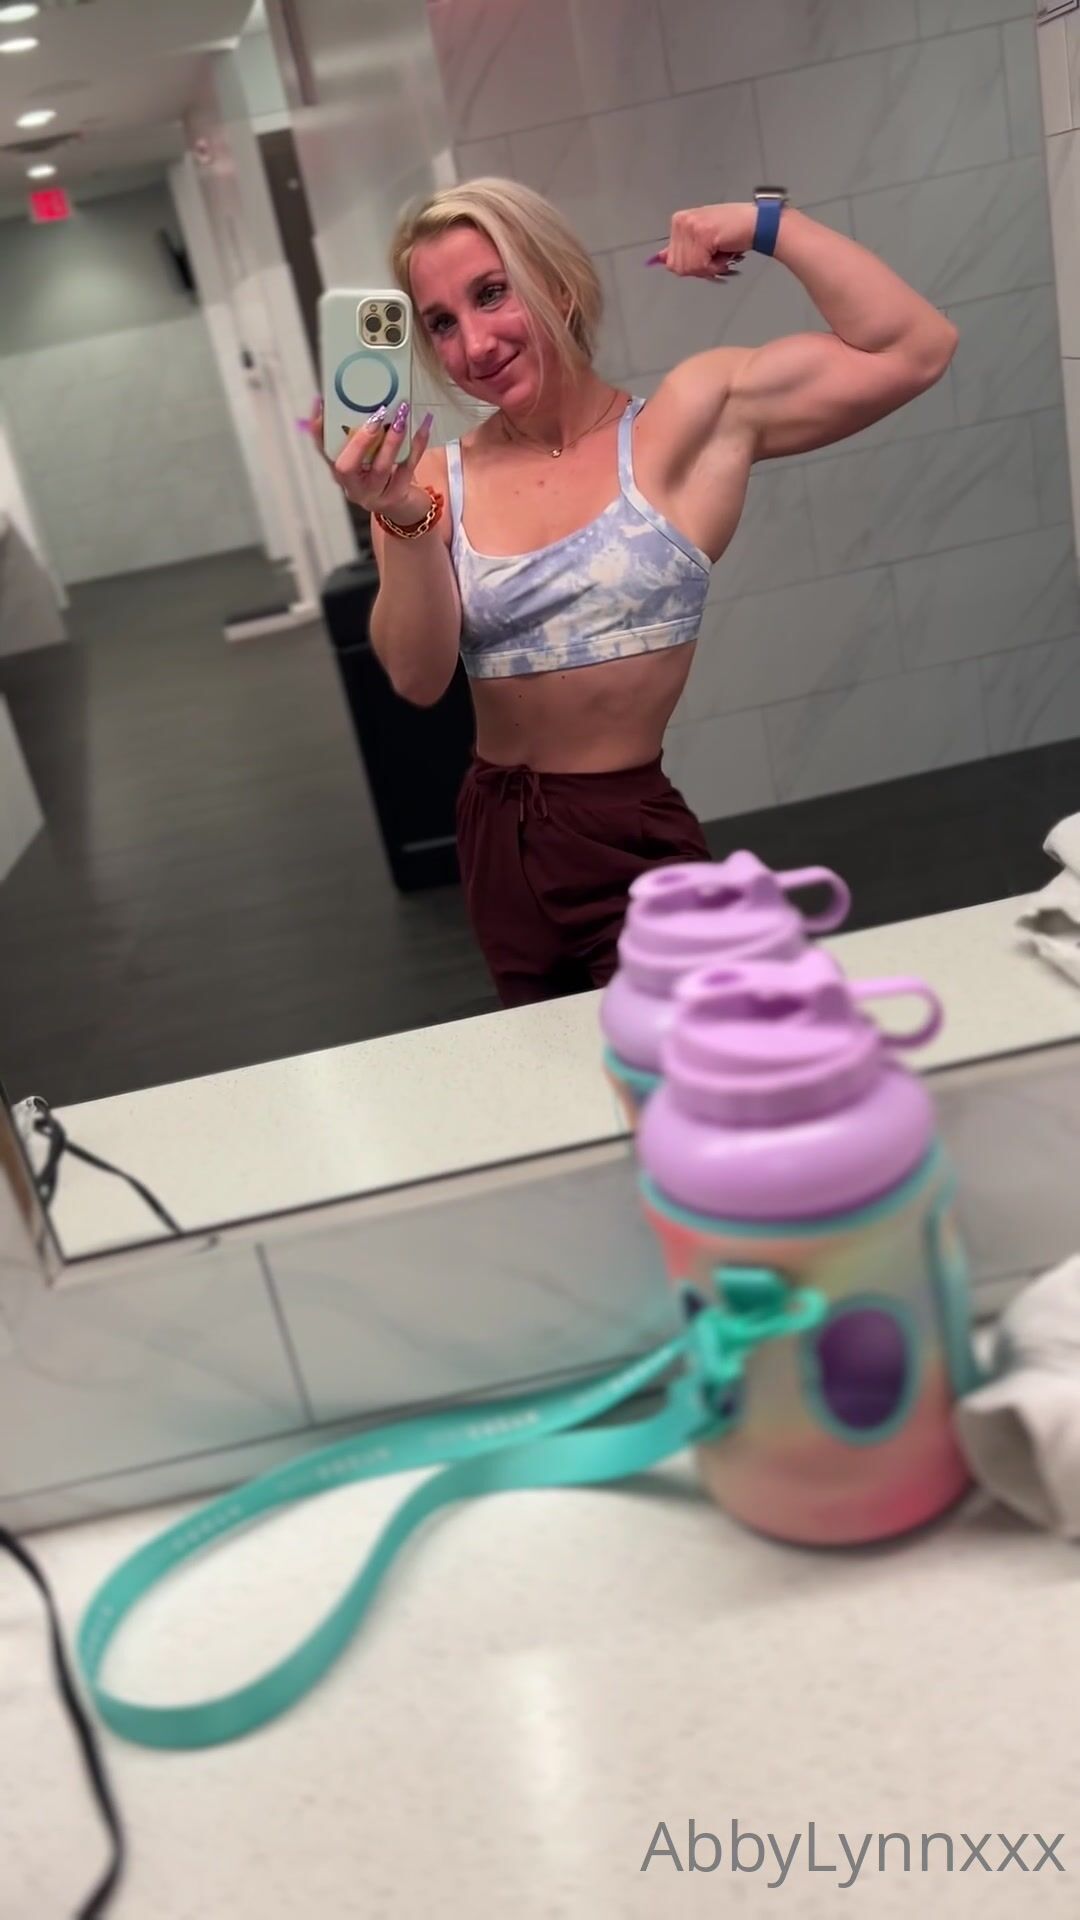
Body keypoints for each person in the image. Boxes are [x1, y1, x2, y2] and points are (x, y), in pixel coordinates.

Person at [310, 180, 957, 1008]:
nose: (474, 343)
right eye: (441, 322)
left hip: (625, 830)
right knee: (555, 1073)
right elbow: (416, 677)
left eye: (492, 293)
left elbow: (915, 347)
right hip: (497, 837)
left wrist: (767, 224)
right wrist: (399, 514)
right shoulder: (430, 481)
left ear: (558, 284)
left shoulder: (685, 425)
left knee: (697, 1063)